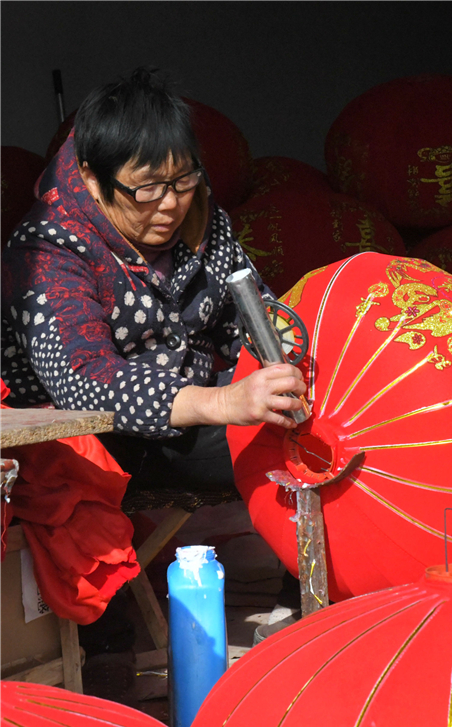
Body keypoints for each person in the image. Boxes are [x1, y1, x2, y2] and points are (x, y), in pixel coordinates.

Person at [1, 67, 306, 494]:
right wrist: (223, 402)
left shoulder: (200, 216)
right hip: (98, 445)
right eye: (147, 189)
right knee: (287, 441)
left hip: (195, 414)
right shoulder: (46, 250)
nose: (170, 205)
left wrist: (287, 366)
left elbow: (249, 322)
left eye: (183, 181)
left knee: (318, 407)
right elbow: (83, 383)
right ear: (92, 179)